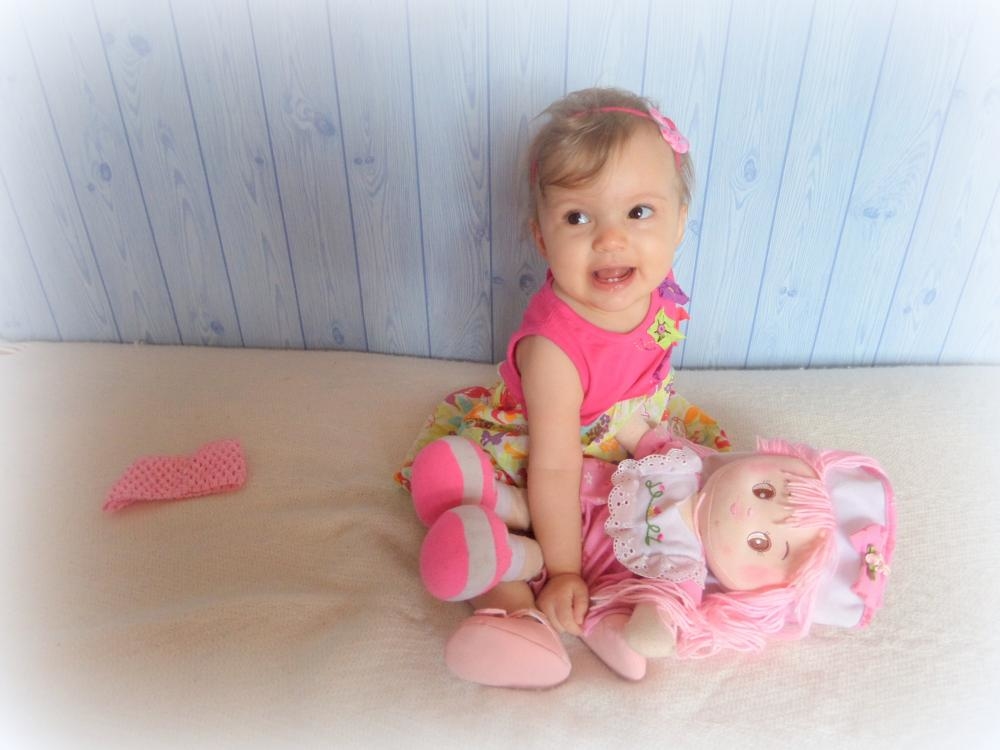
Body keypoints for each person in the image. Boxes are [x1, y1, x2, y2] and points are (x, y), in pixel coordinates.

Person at [397, 87, 727, 687]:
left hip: (622, 431)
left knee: (685, 503)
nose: (610, 239)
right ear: (543, 238)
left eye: (639, 212)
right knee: (527, 526)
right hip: (547, 453)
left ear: (680, 221)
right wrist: (568, 570)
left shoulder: (659, 291)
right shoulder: (554, 350)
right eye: (578, 217)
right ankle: (511, 612)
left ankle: (608, 603)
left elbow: (648, 362)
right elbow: (553, 468)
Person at [416, 423, 895, 683]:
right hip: (557, 494)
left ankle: (515, 609)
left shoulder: (685, 568)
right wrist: (625, 419)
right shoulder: (686, 463)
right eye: (766, 492)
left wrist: (649, 630)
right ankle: (485, 498)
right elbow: (641, 433)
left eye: (760, 543)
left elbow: (657, 616)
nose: (747, 511)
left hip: (570, 571)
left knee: (528, 565)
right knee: (534, 495)